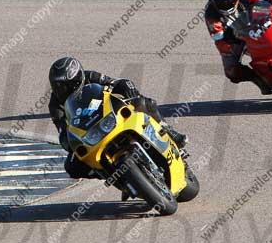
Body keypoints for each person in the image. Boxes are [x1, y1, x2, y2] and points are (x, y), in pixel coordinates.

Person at [47, 56, 187, 179]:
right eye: (57, 86)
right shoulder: (55, 104)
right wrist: (67, 142)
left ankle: (166, 129)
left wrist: (127, 86)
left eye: (65, 86)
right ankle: (110, 173)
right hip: (90, 134)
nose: (61, 90)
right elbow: (62, 129)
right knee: (72, 167)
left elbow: (115, 83)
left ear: (77, 79)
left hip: (108, 115)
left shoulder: (90, 76)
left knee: (143, 102)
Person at [204, 0, 272, 93]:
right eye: (221, 2)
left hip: (257, 20)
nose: (226, 5)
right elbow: (219, 38)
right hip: (235, 36)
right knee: (231, 72)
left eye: (229, 0)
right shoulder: (211, 13)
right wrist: (231, 44)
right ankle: (259, 79)